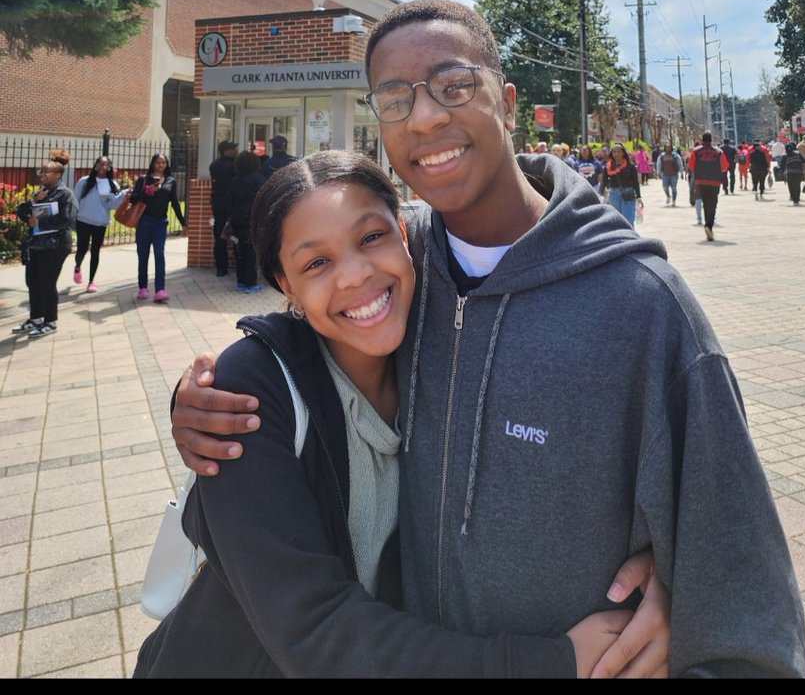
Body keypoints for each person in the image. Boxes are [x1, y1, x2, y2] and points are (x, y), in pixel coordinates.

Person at [171, 0, 805, 678]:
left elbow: (744, 605)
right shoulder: (399, 268)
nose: (425, 116)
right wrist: (201, 397)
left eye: (454, 85)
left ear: (506, 102)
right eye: (395, 98)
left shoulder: (643, 310)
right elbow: (302, 322)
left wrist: (683, 581)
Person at [134, 151, 653, 678]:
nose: (356, 276)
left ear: (406, 236)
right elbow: (314, 632)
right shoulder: (249, 394)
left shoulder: (441, 352)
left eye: (371, 238)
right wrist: (552, 664)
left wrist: (661, 563)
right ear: (284, 283)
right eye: (316, 263)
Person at [12, 158, 76, 338]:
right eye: (42, 171)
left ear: (58, 174)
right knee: (33, 282)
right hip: (36, 244)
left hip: (56, 244)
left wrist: (40, 222)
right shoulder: (40, 192)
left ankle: (50, 321)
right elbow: (21, 212)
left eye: (47, 171)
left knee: (47, 282)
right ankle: (35, 318)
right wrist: (33, 201)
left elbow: (66, 219)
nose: (42, 174)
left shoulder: (65, 194)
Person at [128, 154, 186, 303]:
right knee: (143, 255)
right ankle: (143, 287)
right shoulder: (144, 179)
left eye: (163, 162)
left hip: (161, 222)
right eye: (158, 162)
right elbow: (133, 199)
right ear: (153, 164)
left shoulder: (170, 181)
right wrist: (147, 191)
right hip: (145, 222)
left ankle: (160, 290)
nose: (161, 165)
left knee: (159, 255)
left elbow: (174, 202)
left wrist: (183, 222)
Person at [72, 156, 127, 292]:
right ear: (95, 165)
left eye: (106, 165)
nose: (102, 167)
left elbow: (113, 205)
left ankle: (91, 281)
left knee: (95, 251)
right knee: (81, 249)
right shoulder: (84, 182)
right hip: (83, 221)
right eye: (100, 164)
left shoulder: (112, 185)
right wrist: (73, 217)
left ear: (109, 168)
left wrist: (122, 196)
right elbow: (75, 199)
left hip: (100, 223)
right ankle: (78, 266)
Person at [225, 149, 267, 294]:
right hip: (252, 219)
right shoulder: (259, 179)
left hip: (238, 219)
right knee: (251, 253)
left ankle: (241, 281)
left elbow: (229, 200)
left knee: (241, 251)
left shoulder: (235, 180)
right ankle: (251, 283)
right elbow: (264, 199)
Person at [687, 132, 729, 241]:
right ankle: (709, 226)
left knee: (705, 203)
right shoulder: (718, 152)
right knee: (713, 203)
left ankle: (707, 226)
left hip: (701, 181)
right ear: (711, 140)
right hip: (714, 181)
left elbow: (691, 166)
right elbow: (725, 167)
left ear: (702, 140)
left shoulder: (696, 151)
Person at [209, 140, 238, 277]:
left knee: (219, 238)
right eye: (233, 149)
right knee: (236, 236)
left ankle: (221, 268)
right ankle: (239, 267)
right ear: (226, 151)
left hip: (217, 205)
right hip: (232, 205)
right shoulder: (234, 166)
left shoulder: (214, 165)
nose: (235, 151)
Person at [599, 142, 642, 228]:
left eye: (618, 152)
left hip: (628, 194)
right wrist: (600, 194)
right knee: (615, 219)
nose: (616, 154)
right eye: (614, 152)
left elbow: (635, 182)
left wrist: (639, 196)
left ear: (623, 153)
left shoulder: (631, 166)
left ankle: (629, 237)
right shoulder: (608, 166)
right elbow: (603, 181)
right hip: (614, 194)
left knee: (628, 219)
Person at [783, 141, 805, 206]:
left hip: (790, 173)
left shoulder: (785, 155)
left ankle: (793, 197)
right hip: (798, 172)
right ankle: (797, 200)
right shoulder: (798, 154)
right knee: (797, 186)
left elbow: (782, 165)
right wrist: (802, 169)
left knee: (791, 186)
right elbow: (804, 161)